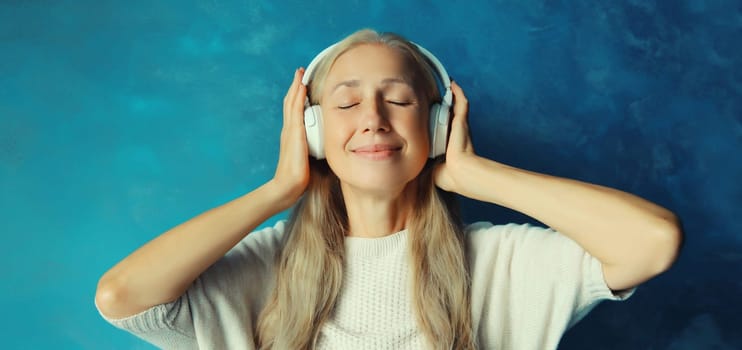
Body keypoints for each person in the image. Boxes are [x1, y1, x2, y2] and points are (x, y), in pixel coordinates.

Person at [95, 29, 683, 349]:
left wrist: (476, 174)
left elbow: (651, 242)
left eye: (399, 100)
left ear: (434, 124)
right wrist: (279, 190)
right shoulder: (262, 266)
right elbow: (122, 297)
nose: (373, 117)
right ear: (314, 132)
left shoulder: (503, 261)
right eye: (346, 103)